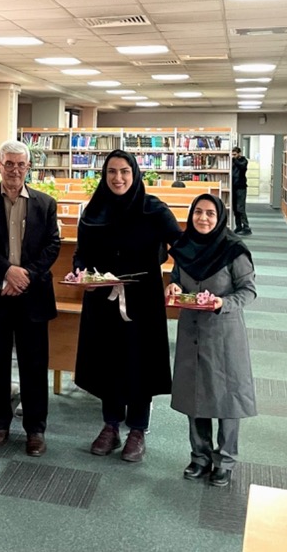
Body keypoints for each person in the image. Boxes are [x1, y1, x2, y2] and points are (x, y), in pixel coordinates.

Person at [74, 150, 182, 463]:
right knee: (107, 361)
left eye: (124, 171)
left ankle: (137, 429)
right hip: (103, 298)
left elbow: (182, 246)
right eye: (111, 171)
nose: (118, 178)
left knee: (139, 362)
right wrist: (81, 274)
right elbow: (81, 254)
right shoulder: (94, 209)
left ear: (134, 174)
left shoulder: (153, 209)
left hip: (142, 299)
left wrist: (178, 279)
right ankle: (110, 425)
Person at [0, 140, 60, 457]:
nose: (15, 170)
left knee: (35, 365)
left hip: (33, 296)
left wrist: (25, 276)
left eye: (21, 165)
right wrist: (8, 272)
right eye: (9, 164)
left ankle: (35, 430)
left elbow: (52, 246)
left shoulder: (45, 204)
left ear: (28, 168)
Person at [167, 193, 256, 488]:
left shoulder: (234, 250)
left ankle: (225, 460)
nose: (203, 218)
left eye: (210, 214)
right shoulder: (184, 247)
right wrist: (174, 287)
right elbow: (177, 278)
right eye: (198, 212)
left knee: (227, 397)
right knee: (194, 394)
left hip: (224, 333)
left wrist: (222, 302)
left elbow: (248, 290)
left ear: (220, 218)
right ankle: (200, 457)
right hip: (191, 330)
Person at [231, 147, 251, 235]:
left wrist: (234, 160)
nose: (233, 156)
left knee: (240, 208)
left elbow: (242, 167)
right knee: (235, 209)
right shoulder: (232, 161)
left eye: (235, 154)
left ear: (239, 153)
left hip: (241, 187)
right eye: (232, 154)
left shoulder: (243, 160)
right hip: (233, 187)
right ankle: (238, 226)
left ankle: (246, 227)